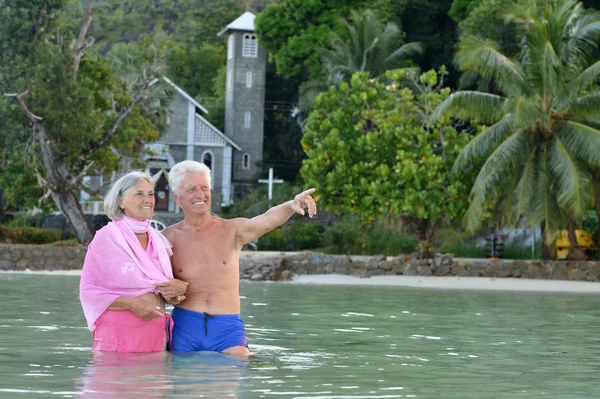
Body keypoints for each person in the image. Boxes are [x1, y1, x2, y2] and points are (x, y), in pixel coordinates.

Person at [162, 161, 317, 356]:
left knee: (237, 371)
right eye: (191, 189)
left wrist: (291, 205)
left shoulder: (232, 230)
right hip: (185, 328)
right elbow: (154, 286)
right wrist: (170, 290)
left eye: (204, 187)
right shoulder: (167, 239)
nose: (200, 195)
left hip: (227, 328)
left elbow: (266, 220)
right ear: (177, 196)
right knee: (181, 381)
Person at [80, 171, 188, 352]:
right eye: (139, 194)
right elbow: (89, 292)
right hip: (118, 333)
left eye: (151, 194)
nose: (148, 199)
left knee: (154, 380)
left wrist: (178, 289)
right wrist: (132, 304)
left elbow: (161, 288)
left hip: (155, 334)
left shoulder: (158, 240)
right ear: (121, 201)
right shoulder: (107, 237)